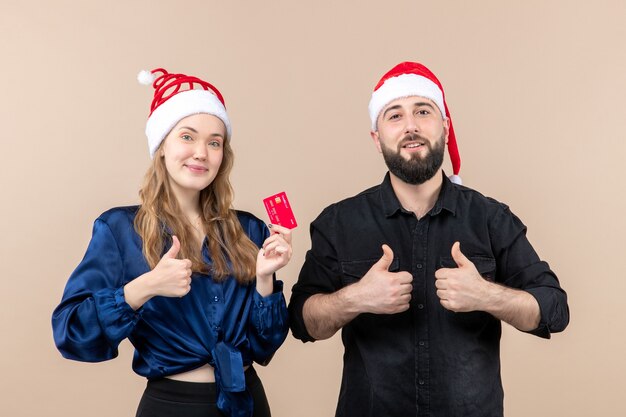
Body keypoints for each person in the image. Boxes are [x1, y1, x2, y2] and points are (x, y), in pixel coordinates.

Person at [288, 61, 569, 417]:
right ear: (377, 139)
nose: (411, 126)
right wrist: (356, 298)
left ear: (446, 128)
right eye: (394, 115)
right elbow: (301, 321)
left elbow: (554, 311)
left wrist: (486, 294)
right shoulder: (339, 223)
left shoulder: (490, 219)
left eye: (423, 111)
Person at [52, 68, 291, 417]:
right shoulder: (119, 229)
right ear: (162, 145)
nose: (201, 153)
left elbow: (265, 345)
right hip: (171, 406)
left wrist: (266, 280)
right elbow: (71, 333)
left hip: (247, 402)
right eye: (187, 137)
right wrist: (145, 287)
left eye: (214, 142)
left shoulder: (250, 230)